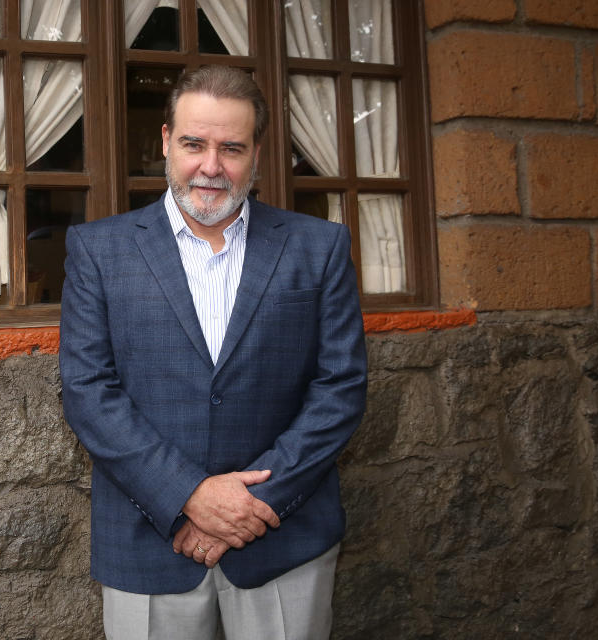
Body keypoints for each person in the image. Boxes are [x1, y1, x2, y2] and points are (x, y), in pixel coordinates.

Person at [59, 65, 367, 640]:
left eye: (231, 148)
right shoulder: (98, 250)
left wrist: (251, 507)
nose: (210, 165)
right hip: (148, 538)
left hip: (282, 536)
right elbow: (88, 391)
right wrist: (189, 497)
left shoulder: (319, 247)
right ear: (166, 143)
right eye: (194, 144)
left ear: (257, 153)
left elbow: (340, 387)